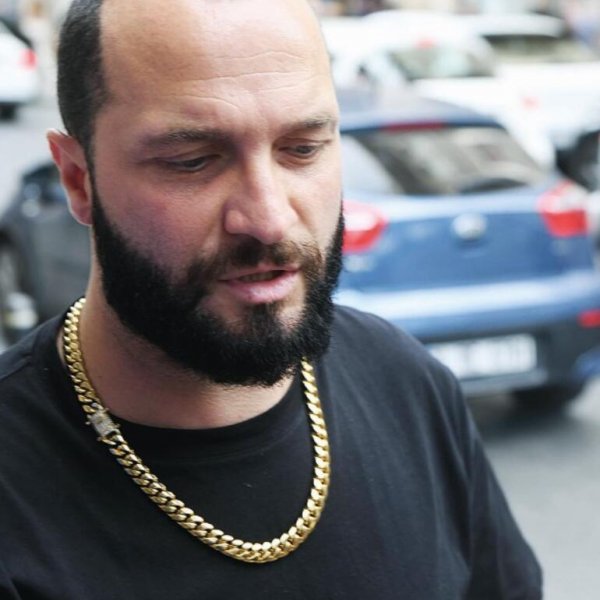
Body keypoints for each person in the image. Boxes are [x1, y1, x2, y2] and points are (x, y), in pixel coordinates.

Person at [0, 0, 543, 598]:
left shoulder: (406, 381)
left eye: (303, 149)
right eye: (192, 161)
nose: (267, 218)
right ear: (78, 179)